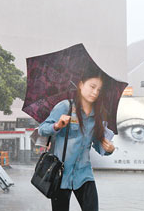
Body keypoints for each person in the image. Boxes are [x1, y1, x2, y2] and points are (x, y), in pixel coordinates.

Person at [39, 67, 116, 211]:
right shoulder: (65, 107)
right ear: (81, 85)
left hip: (84, 174)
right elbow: (42, 129)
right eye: (92, 87)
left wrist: (109, 149)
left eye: (99, 90)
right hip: (61, 175)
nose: (95, 92)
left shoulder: (99, 115)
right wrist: (57, 125)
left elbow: (99, 146)